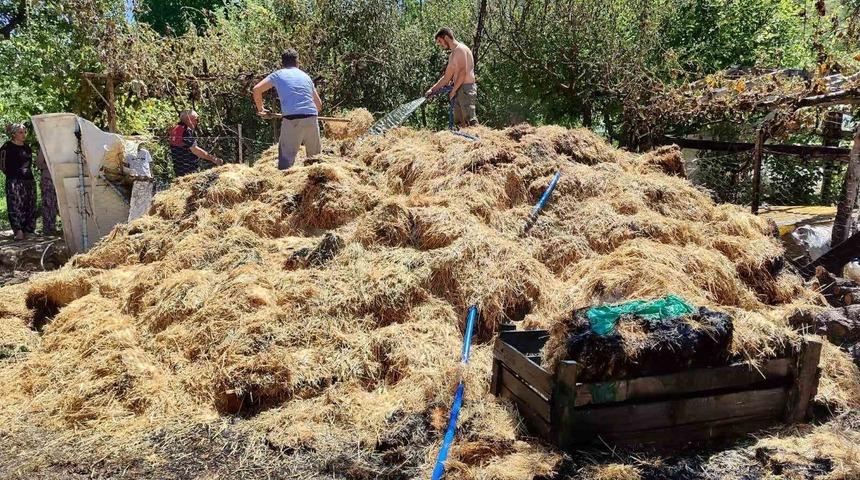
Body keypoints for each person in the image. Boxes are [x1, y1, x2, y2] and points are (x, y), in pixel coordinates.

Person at [253, 49, 323, 170]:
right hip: (312, 117)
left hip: (292, 120)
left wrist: (262, 110)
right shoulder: (306, 77)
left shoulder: (278, 74)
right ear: (297, 62)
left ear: (283, 63)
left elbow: (256, 89)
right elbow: (319, 105)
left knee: (286, 163)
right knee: (315, 162)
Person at [425, 27, 478, 128]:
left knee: (470, 122)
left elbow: (463, 72)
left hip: (466, 89)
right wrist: (432, 90)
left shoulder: (460, 49)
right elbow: (446, 78)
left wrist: (453, 90)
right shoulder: (452, 55)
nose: (440, 45)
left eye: (440, 41)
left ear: (446, 37)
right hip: (458, 89)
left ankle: (477, 143)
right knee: (460, 124)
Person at [0, 123, 36, 240]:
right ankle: (18, 231)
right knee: (15, 205)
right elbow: (2, 165)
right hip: (14, 180)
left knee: (30, 204)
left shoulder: (27, 148)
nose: (23, 134)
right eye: (20, 132)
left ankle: (28, 230)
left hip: (29, 179)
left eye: (24, 132)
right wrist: (12, 175)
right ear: (14, 134)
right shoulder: (7, 147)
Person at [168, 110, 223, 177]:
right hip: (188, 169)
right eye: (196, 119)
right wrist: (213, 159)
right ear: (189, 119)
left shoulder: (175, 129)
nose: (197, 122)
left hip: (178, 168)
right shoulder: (186, 131)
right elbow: (195, 150)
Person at [34, 149, 59, 235]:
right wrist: (50, 166)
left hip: (59, 177)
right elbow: (38, 163)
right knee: (48, 204)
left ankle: (53, 227)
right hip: (48, 178)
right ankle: (47, 228)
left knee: (56, 204)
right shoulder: (44, 146)